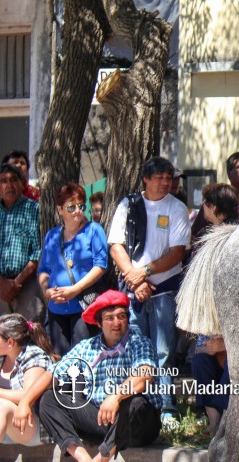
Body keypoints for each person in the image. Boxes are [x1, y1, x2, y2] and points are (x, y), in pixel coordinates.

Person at [13, 290, 162, 461]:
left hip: (136, 425)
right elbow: (52, 373)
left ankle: (101, 458)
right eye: (109, 318)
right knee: (48, 398)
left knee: (135, 403)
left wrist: (116, 396)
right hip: (100, 420)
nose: (117, 322)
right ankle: (83, 458)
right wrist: (24, 402)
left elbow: (143, 377)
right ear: (99, 323)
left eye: (121, 316)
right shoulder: (86, 347)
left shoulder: (139, 342)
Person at [107, 156, 190, 427]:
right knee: (134, 349)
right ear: (146, 178)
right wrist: (135, 280)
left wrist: (143, 274)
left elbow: (177, 253)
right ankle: (137, 405)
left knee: (164, 351)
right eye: (160, 178)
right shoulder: (128, 205)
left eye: (169, 178)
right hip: (133, 291)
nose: (166, 183)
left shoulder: (176, 207)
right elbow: (116, 245)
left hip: (164, 288)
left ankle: (166, 406)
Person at [189, 182, 239, 436]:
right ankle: (214, 421)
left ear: (212, 206)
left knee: (236, 364)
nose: (202, 208)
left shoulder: (238, 236)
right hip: (210, 320)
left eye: (205, 204)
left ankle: (229, 425)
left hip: (238, 323)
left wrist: (228, 341)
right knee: (200, 361)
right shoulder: (210, 235)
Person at [37, 183, 107, 355]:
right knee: (60, 361)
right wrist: (46, 291)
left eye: (81, 206)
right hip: (56, 309)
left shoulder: (94, 230)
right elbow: (43, 269)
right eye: (71, 207)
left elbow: (101, 266)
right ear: (60, 209)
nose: (78, 210)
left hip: (84, 307)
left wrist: (74, 290)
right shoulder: (52, 235)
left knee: (82, 360)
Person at [0, 314, 56, 446]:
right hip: (6, 428)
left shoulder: (34, 356)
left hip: (31, 425)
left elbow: (28, 395)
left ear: (10, 342)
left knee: (2, 406)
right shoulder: (2, 357)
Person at [0, 163, 43, 322]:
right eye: (3, 181)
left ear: (21, 182)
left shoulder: (33, 209)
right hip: (0, 286)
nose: (9, 185)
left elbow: (38, 252)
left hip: (27, 284)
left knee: (29, 331)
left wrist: (17, 283)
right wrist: (3, 285)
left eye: (13, 180)